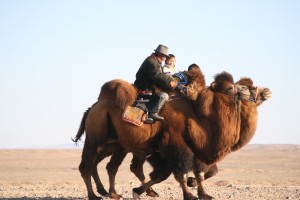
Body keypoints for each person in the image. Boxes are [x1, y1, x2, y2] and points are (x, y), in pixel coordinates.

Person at [134, 44, 177, 123]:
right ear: (160, 54)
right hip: (144, 87)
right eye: (164, 56)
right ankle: (152, 113)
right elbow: (157, 76)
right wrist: (170, 82)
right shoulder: (152, 61)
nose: (165, 58)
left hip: (147, 86)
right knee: (164, 96)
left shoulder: (154, 61)